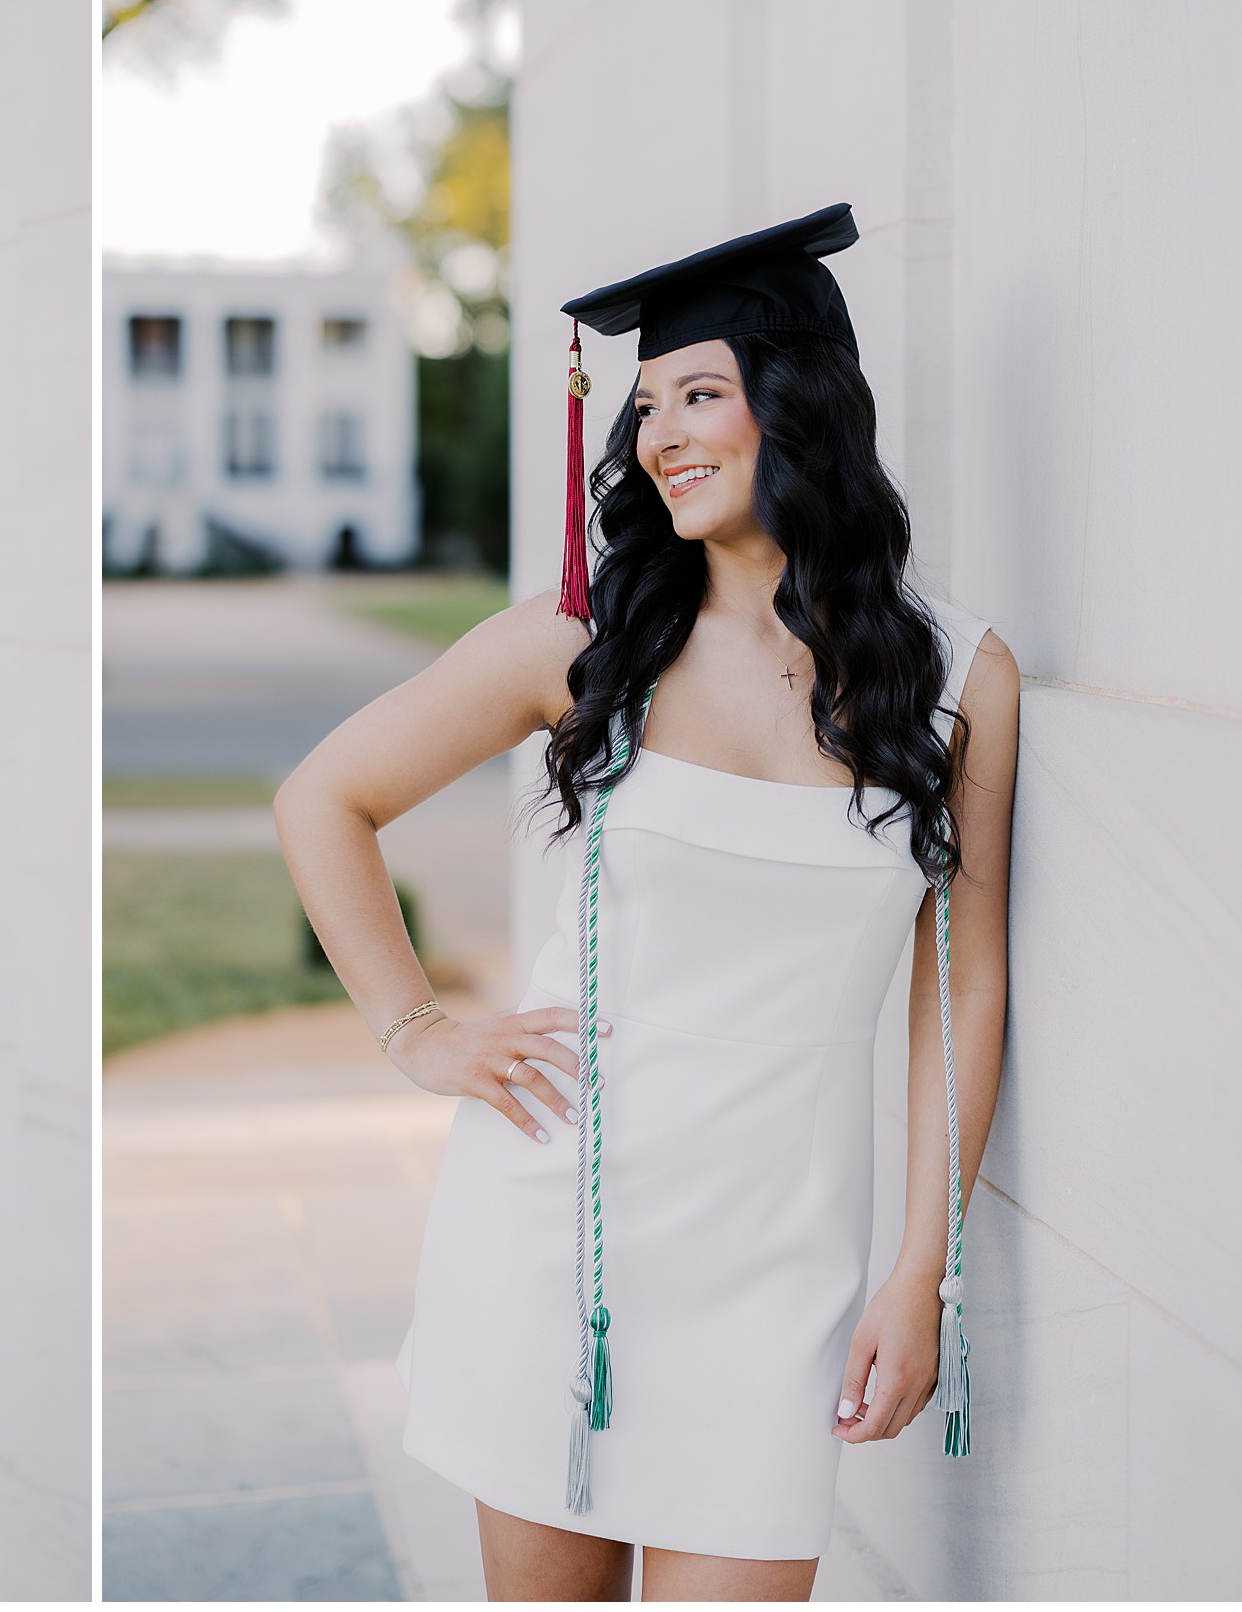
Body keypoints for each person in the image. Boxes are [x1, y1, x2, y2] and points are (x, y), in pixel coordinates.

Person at [274, 206, 1018, 1602]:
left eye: (699, 392)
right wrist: (414, 1025)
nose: (662, 433)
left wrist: (925, 1270)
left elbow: (963, 985)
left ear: (797, 408)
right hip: (558, 1235)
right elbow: (323, 798)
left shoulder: (958, 679)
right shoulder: (583, 643)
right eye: (645, 404)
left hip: (777, 1272)